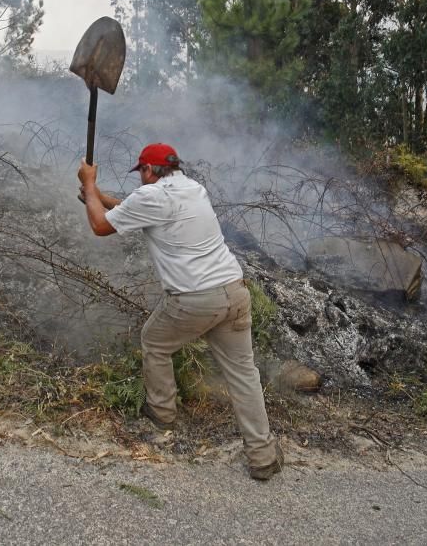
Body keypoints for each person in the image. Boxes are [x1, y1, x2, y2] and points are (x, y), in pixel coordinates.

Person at [77, 143, 283, 481]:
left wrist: (88, 184)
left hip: (195, 300)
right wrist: (97, 196)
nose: (140, 180)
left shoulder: (152, 197)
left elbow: (100, 227)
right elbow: (131, 210)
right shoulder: (193, 189)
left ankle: (161, 414)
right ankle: (262, 456)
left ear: (147, 171)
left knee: (154, 342)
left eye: (140, 173)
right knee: (244, 375)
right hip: (234, 292)